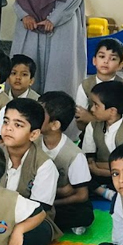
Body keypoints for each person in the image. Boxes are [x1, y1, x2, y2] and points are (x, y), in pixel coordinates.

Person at [0, 98, 61, 245]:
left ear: (33, 134)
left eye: (18, 125)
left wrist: (18, 229)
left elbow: (39, 210)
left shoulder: (45, 165)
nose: (8, 128)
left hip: (31, 220)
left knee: (37, 236)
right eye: (6, 122)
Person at [39, 91, 94, 235]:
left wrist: (51, 203)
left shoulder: (74, 155)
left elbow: (82, 195)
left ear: (55, 124)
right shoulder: (32, 142)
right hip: (37, 194)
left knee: (84, 214)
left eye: (40, 114)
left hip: (61, 201)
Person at [81, 81, 123, 200]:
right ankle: (105, 191)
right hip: (100, 171)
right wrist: (95, 168)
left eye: (96, 105)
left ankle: (102, 191)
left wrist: (100, 170)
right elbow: (89, 159)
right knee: (79, 173)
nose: (92, 109)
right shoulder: (92, 126)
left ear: (112, 111)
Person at [75, 39, 123, 131]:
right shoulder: (85, 86)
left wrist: (90, 118)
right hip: (89, 133)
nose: (106, 61)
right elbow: (80, 118)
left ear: (120, 65)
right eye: (102, 56)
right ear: (94, 60)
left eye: (113, 58)